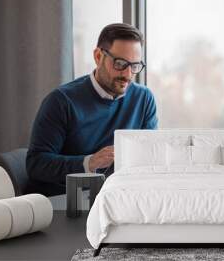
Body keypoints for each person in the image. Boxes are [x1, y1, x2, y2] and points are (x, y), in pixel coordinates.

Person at [26, 23, 158, 195]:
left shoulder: (144, 99)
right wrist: (90, 163)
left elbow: (149, 158)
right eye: (120, 63)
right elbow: (36, 164)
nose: (127, 75)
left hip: (116, 197)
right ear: (98, 56)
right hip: (66, 202)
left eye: (134, 66)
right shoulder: (61, 101)